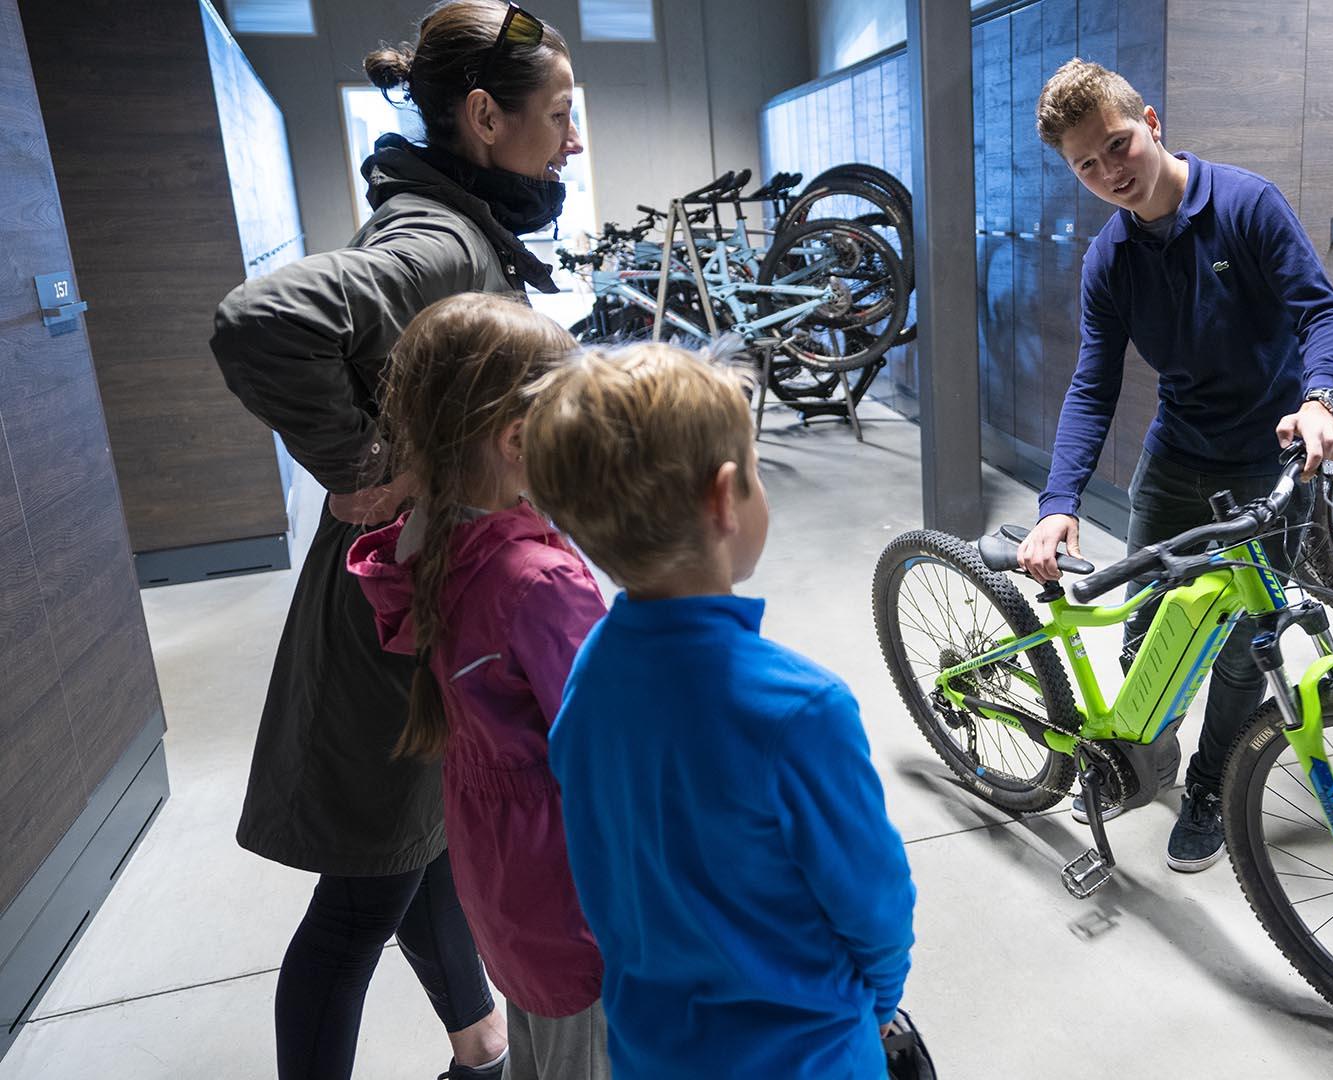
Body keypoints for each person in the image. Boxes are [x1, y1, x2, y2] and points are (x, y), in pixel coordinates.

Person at [207, 3, 582, 1076]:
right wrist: (374, 468)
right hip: (395, 608)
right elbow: (260, 320)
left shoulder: (453, 219)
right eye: (557, 114)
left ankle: (479, 1048)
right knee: (365, 892)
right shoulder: (441, 240)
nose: (573, 139)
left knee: (419, 844)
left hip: (428, 595)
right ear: (481, 116)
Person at [523, 345, 917, 1078]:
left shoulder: (591, 675)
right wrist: (879, 1003)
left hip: (652, 1049)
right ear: (723, 497)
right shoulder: (801, 710)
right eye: (759, 471)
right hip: (808, 1056)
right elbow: (874, 903)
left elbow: (604, 871)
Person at [1016, 58, 1333, 874]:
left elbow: (1324, 313)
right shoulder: (1111, 260)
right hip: (1176, 456)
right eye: (1086, 166)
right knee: (1148, 630)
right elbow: (1093, 385)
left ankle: (1211, 783)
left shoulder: (1245, 204)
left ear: (1154, 123)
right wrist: (1059, 501)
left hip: (1272, 455)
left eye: (1117, 145)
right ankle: (1148, 754)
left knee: (1248, 647)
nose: (1109, 174)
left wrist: (1322, 399)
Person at [347, 294, 608, 1079]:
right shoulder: (539, 581)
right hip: (577, 896)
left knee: (538, 1049)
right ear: (521, 439)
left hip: (502, 881)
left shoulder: (432, 552)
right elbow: (611, 753)